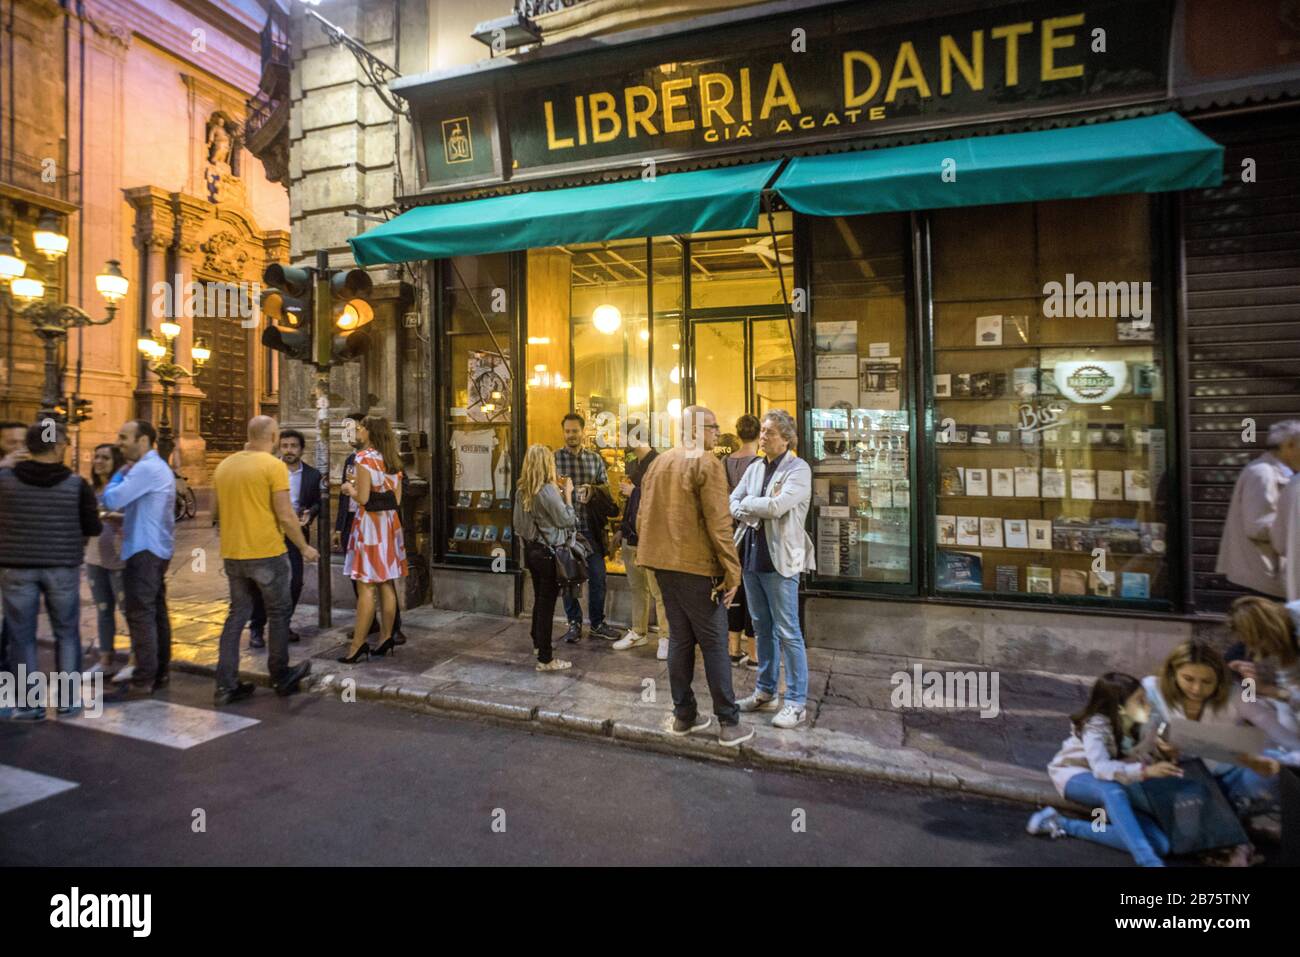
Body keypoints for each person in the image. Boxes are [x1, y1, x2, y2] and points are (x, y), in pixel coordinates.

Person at [636, 405, 752, 747]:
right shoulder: (706, 463)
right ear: (698, 428)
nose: (718, 433)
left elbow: (643, 516)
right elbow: (720, 524)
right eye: (714, 427)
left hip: (663, 566)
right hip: (698, 568)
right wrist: (732, 571)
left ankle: (684, 715)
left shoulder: (659, 462)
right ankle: (729, 723)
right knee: (715, 643)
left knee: (680, 640)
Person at [211, 416, 317, 704]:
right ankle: (280, 675)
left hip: (234, 553)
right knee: (279, 613)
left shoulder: (225, 465)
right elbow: (285, 514)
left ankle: (225, 684)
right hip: (267, 552)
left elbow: (214, 514)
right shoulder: (273, 466)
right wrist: (304, 547)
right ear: (273, 437)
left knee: (236, 616)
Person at [1026, 673, 1180, 867]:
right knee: (1111, 790)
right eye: (1140, 700)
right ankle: (1148, 861)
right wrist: (1146, 771)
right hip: (1076, 774)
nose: (1148, 704)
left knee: (1160, 844)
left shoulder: (1144, 722)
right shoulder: (1096, 724)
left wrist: (1165, 752)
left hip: (1118, 783)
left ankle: (1062, 824)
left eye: (1146, 697)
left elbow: (1148, 758)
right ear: (1120, 708)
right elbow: (1100, 768)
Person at [0, 423, 101, 718]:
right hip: (62, 567)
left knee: (21, 636)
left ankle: (29, 704)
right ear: (57, 447)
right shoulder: (76, 483)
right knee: (67, 633)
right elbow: (93, 527)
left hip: (16, 568)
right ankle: (68, 700)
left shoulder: (4, 480)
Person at [731, 409, 816, 730]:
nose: (762, 436)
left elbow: (778, 506)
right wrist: (757, 504)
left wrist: (750, 505)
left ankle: (795, 701)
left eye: (768, 432)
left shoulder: (799, 469)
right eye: (763, 432)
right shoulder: (754, 467)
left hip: (781, 562)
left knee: (788, 631)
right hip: (752, 558)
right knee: (761, 627)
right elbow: (732, 501)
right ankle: (765, 690)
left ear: (786, 438)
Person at [1142, 639, 1281, 822]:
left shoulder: (1234, 696)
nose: (1197, 689)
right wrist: (1161, 748)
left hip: (1231, 770)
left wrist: (1251, 687)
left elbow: (1259, 727)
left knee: (1272, 770)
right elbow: (1147, 737)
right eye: (1188, 679)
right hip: (1187, 773)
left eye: (1207, 682)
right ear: (1173, 674)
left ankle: (1231, 820)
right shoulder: (1155, 690)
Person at [102, 419, 175, 699]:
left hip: (144, 550)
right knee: (156, 612)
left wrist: (119, 475)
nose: (119, 443)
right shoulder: (156, 467)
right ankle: (159, 671)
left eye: (124, 437)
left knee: (141, 614)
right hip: (155, 547)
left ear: (143, 440)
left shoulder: (144, 469)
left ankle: (143, 679)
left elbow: (112, 499)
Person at [337, 416, 408, 663]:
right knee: (386, 583)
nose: (358, 431)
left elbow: (364, 498)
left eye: (360, 427)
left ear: (370, 432)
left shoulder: (363, 459)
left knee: (366, 585)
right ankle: (386, 636)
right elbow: (396, 500)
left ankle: (357, 645)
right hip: (389, 526)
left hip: (370, 528)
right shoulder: (393, 461)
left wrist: (348, 489)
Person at [247, 428, 320, 648]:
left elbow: (318, 501)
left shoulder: (312, 475)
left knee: (295, 581)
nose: (289, 450)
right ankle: (257, 628)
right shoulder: (268, 470)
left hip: (296, 533)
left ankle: (282, 624)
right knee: (263, 582)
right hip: (269, 534)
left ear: (301, 449)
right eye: (285, 446)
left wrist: (311, 512)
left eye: (293, 446)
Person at [554, 412, 621, 643]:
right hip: (565, 531)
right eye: (567, 431)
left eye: (575, 431)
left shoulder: (595, 459)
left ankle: (597, 623)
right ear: (563, 432)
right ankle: (573, 623)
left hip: (590, 529)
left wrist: (593, 491)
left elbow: (607, 493)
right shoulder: (554, 459)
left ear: (583, 432)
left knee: (598, 577)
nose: (571, 435)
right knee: (568, 579)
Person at [1218, 420, 1300, 599]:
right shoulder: (1262, 473)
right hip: (1262, 575)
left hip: (1271, 573)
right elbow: (1257, 526)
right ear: (1289, 445)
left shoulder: (1283, 473)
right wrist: (1292, 529)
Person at [513, 443, 576, 672]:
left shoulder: (522, 489)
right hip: (548, 553)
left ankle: (538, 644)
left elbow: (518, 525)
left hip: (531, 551)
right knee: (546, 604)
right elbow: (566, 520)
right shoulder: (547, 490)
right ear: (546, 463)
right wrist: (568, 495)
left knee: (540, 600)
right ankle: (546, 659)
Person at [611, 415, 669, 658]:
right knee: (637, 587)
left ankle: (666, 637)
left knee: (659, 590)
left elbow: (662, 498)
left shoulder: (659, 463)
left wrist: (634, 491)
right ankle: (639, 631)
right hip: (631, 536)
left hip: (652, 537)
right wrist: (622, 529)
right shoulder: (633, 464)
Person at [1225, 596, 1300, 756]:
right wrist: (1251, 687)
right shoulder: (1283, 642)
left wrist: (1267, 691)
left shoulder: (1296, 617)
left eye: (1254, 642)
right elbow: (1287, 691)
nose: (1255, 650)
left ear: (1266, 630)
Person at [85, 443, 127, 674]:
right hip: (94, 557)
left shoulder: (122, 489)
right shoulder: (90, 490)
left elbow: (133, 516)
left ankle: (135, 662)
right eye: (96, 457)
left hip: (118, 556)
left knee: (126, 609)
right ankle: (105, 661)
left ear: (116, 463)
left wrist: (110, 515)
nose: (99, 461)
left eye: (105, 458)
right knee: (103, 609)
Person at [724, 414, 760, 668]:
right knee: (752, 592)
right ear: (759, 436)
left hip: (728, 533)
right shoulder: (760, 463)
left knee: (732, 588)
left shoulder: (725, 461)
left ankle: (732, 648)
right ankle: (754, 652)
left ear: (738, 435)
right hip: (752, 533)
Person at [0, 420, 29, 678]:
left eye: (23, 443)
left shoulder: (30, 474)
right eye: (12, 443)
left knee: (13, 622)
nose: (19, 448)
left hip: (16, 561)